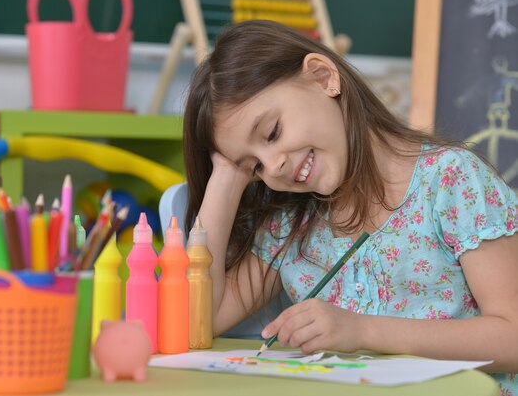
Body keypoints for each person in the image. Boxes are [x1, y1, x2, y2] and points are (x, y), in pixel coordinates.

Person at [182, 20, 518, 394]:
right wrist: (228, 175)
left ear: (324, 77)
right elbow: (198, 320)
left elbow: (513, 336)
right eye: (256, 166)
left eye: (272, 132)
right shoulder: (291, 225)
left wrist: (361, 329)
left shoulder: (452, 181)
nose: (272, 166)